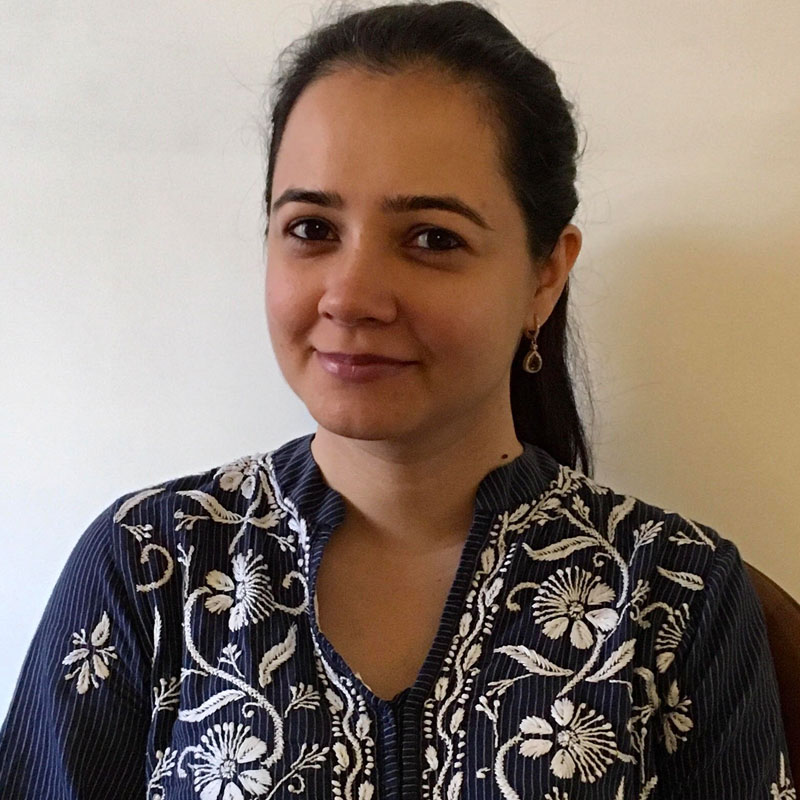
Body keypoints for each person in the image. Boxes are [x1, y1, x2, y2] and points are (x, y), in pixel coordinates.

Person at [0, 0, 795, 797]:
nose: (350, 297)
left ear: (545, 274)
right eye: (312, 228)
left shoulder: (674, 593)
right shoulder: (151, 567)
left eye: (432, 238)